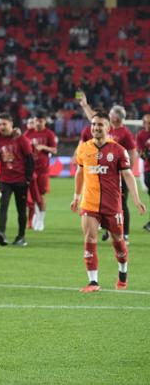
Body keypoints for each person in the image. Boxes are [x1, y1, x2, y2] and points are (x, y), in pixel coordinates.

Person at [71, 111, 146, 292]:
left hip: (112, 205)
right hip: (89, 202)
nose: (96, 128)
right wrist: (76, 196)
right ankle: (93, 282)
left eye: (100, 124)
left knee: (118, 241)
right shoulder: (84, 148)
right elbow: (80, 172)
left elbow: (128, 174)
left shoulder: (118, 150)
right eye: (93, 124)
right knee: (89, 238)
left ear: (108, 127)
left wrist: (136, 199)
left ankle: (123, 272)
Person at [78, 95, 138, 241]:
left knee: (121, 204)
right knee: (104, 203)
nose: (109, 115)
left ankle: (125, 233)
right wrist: (85, 105)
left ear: (116, 118)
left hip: (119, 175)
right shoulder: (107, 129)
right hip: (105, 175)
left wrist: (126, 169)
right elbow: (94, 118)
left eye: (111, 114)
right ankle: (108, 229)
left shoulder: (125, 133)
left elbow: (132, 153)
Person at [0, 114, 34, 247]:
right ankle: (1, 233)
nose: (2, 127)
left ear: (11, 124)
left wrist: (27, 179)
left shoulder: (21, 139)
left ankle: (21, 236)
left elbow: (30, 159)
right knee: (3, 205)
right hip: (4, 179)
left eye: (4, 124)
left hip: (20, 180)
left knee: (21, 209)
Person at [24, 112, 57, 231]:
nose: (38, 123)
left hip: (42, 170)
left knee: (41, 196)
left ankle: (41, 220)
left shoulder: (49, 134)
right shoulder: (28, 133)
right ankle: (34, 217)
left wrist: (43, 147)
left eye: (40, 121)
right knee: (31, 196)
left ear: (45, 121)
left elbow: (54, 150)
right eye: (36, 121)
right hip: (30, 170)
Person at [136, 114, 150, 232]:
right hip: (148, 170)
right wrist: (146, 155)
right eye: (147, 122)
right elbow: (141, 153)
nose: (148, 125)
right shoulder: (141, 135)